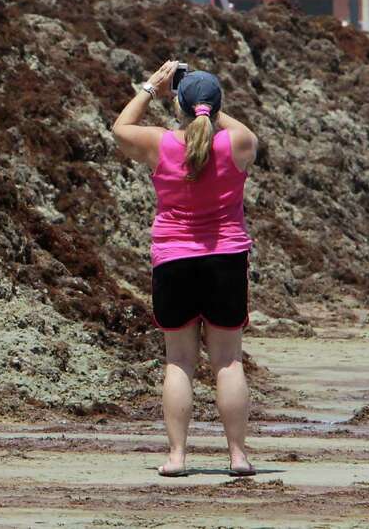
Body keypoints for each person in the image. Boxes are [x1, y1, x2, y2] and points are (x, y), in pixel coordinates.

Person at [111, 60, 258, 478]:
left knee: (179, 362)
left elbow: (120, 127)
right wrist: (205, 102)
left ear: (179, 106)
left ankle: (177, 457)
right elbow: (234, 127)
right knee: (228, 362)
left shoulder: (161, 144)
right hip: (226, 259)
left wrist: (152, 87)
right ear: (217, 107)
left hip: (174, 259)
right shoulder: (239, 144)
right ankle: (237, 456)